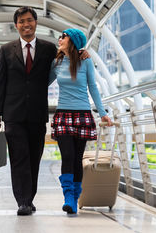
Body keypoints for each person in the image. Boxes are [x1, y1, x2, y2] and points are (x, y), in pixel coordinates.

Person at [0, 6, 58, 216]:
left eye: (29, 20)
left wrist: (81, 53)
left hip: (37, 114)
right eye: (21, 21)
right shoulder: (6, 49)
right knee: (19, 158)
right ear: (16, 25)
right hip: (13, 114)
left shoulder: (48, 49)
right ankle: (23, 201)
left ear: (36, 23)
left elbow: (65, 60)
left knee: (34, 158)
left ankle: (29, 197)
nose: (26, 25)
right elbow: (0, 82)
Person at [49, 28, 112, 215]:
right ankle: (68, 196)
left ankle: (75, 198)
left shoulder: (85, 61)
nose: (60, 39)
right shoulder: (57, 62)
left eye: (64, 36)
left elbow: (93, 87)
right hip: (63, 114)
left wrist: (102, 113)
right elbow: (42, 82)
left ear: (73, 41)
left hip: (83, 114)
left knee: (77, 158)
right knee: (67, 156)